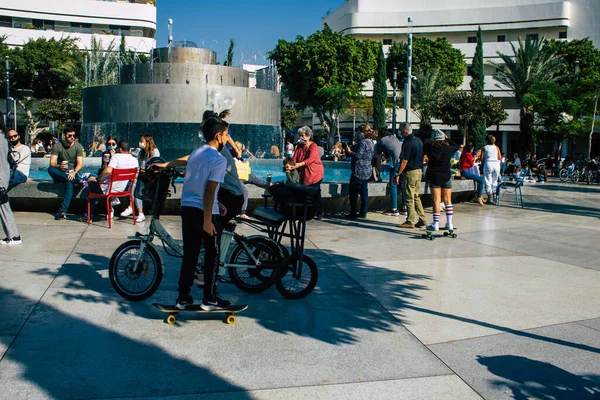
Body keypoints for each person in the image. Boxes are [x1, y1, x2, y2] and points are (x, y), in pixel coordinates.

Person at [175, 116, 231, 310]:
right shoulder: (218, 159)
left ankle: (183, 297)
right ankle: (210, 298)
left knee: (190, 254)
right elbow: (208, 190)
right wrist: (208, 221)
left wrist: (219, 202)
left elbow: (198, 185)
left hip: (187, 208)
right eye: (225, 135)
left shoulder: (196, 153)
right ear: (218, 136)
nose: (227, 139)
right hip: (205, 212)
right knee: (212, 254)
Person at [86, 140, 138, 220]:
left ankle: (89, 214)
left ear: (120, 149)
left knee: (90, 183)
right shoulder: (134, 160)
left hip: (110, 189)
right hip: (122, 190)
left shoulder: (116, 157)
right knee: (93, 177)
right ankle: (111, 204)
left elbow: (108, 170)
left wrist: (97, 179)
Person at [423, 129, 460, 231]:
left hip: (434, 175)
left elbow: (425, 142)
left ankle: (435, 223)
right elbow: (457, 146)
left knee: (436, 200)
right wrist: (448, 138)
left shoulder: (429, 148)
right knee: (448, 200)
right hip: (446, 176)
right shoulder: (447, 148)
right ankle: (449, 223)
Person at [288, 126, 325, 219]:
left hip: (315, 174)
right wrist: (288, 164)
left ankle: (318, 212)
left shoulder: (313, 146)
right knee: (307, 193)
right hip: (305, 174)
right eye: (300, 135)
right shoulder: (300, 146)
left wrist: (299, 164)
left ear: (309, 136)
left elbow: (311, 159)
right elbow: (294, 158)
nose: (301, 137)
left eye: (303, 135)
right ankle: (308, 213)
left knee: (314, 193)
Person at [121, 134, 160, 222]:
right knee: (134, 183)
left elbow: (154, 167)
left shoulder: (155, 151)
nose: (140, 143)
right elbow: (130, 151)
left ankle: (132, 208)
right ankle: (139, 213)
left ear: (148, 142)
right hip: (142, 176)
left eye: (141, 141)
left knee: (136, 184)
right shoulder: (141, 152)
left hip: (151, 177)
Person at [48, 127, 84, 220]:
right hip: (61, 172)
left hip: (72, 172)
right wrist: (59, 166)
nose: (72, 137)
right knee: (50, 169)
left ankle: (62, 211)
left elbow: (80, 164)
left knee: (69, 183)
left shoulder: (78, 146)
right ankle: (73, 179)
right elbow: (52, 163)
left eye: (73, 136)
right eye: (69, 135)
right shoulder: (57, 146)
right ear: (65, 135)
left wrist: (74, 172)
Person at [394, 123, 427, 229]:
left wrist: (398, 173)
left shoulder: (407, 143)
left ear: (404, 131)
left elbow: (404, 160)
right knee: (416, 196)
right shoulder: (418, 141)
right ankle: (422, 219)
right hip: (418, 171)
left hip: (410, 172)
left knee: (409, 197)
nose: (399, 132)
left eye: (400, 130)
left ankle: (410, 220)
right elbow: (424, 156)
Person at [344, 125, 375, 219]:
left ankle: (353, 212)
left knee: (353, 192)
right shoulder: (371, 142)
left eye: (358, 132)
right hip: (367, 170)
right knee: (364, 192)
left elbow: (358, 155)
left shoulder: (363, 142)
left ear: (363, 132)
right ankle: (363, 212)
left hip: (359, 170)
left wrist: (349, 152)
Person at [0, 112, 21, 245]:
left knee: (4, 207)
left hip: (0, 177)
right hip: (3, 175)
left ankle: (14, 236)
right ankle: (13, 236)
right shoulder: (3, 136)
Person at [374, 129, 405, 216]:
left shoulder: (381, 142)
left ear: (379, 135)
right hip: (403, 161)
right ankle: (404, 207)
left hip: (396, 163)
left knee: (392, 184)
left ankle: (393, 209)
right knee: (402, 184)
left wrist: (378, 174)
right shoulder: (393, 137)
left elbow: (378, 159)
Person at [482, 135, 502, 204]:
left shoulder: (485, 148)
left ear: (487, 140)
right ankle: (495, 197)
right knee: (495, 180)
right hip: (496, 164)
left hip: (488, 163)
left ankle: (489, 197)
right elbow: (499, 157)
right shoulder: (496, 147)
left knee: (488, 180)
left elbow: (482, 158)